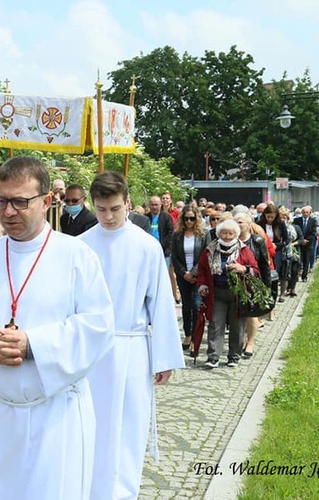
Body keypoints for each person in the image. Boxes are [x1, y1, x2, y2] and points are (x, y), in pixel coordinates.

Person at [0, 156, 115, 500]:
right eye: (2, 200)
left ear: (48, 201)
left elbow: (97, 327)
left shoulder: (76, 256)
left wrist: (32, 344)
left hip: (57, 415)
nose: (8, 212)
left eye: (21, 201)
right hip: (0, 411)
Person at [80, 171, 184, 499]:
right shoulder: (81, 247)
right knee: (91, 423)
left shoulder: (146, 247)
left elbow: (161, 304)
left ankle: (123, 492)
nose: (108, 217)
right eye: (100, 209)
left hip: (130, 346)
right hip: (91, 351)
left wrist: (163, 358)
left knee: (128, 425)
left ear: (127, 203)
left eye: (114, 208)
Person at [197, 219, 259, 368]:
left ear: (236, 234)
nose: (227, 236)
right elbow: (202, 270)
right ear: (218, 234)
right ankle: (213, 357)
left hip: (238, 294)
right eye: (224, 233)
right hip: (217, 293)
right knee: (215, 324)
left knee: (237, 326)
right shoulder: (210, 250)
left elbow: (255, 270)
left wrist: (243, 268)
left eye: (230, 233)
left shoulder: (244, 250)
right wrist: (202, 285)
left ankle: (234, 356)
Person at [171, 204, 211, 351]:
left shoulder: (204, 234)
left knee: (196, 305)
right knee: (186, 306)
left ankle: (196, 337)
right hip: (183, 275)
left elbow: (205, 255)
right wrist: (184, 273)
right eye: (186, 219)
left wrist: (193, 272)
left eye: (192, 219)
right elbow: (174, 257)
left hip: (198, 275)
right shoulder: (177, 235)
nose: (189, 222)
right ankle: (187, 334)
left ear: (197, 219)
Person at [234, 212, 271, 359]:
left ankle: (250, 342)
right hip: (235, 283)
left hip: (253, 281)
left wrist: (266, 286)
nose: (238, 224)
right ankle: (240, 341)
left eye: (241, 222)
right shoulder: (230, 239)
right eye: (236, 222)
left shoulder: (257, 241)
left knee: (251, 314)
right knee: (237, 314)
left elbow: (264, 264)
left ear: (249, 224)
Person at [293, 206, 318, 281]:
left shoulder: (313, 221)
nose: (305, 214)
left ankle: (304, 276)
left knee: (306, 260)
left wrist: (306, 240)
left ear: (310, 213)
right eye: (303, 212)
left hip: (308, 243)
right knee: (298, 259)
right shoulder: (297, 220)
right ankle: (296, 275)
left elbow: (313, 232)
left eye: (307, 212)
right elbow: (295, 231)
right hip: (298, 243)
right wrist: (301, 240)